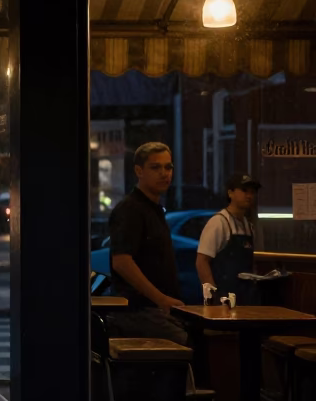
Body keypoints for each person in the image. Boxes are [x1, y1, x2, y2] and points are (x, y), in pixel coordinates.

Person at [107, 142, 188, 344]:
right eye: (155, 167)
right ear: (138, 171)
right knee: (195, 347)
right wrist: (161, 299)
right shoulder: (131, 209)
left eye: (168, 167)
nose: (164, 173)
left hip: (155, 311)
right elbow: (122, 262)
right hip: (139, 312)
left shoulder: (153, 209)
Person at [196, 173, 260, 304]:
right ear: (230, 193)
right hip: (223, 299)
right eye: (244, 190)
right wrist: (214, 297)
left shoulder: (249, 226)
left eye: (252, 192)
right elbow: (201, 262)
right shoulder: (219, 222)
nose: (249, 196)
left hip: (245, 299)